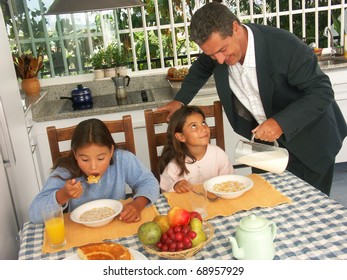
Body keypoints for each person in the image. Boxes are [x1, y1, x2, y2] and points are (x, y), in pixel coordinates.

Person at [157, 2, 347, 196]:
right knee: (265, 203)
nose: (220, 60)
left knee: (310, 209)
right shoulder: (216, 48)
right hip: (265, 147)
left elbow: (321, 92)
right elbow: (200, 69)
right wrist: (179, 101)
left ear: (235, 28)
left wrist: (280, 123)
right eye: (212, 55)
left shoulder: (285, 46)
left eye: (222, 50)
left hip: (311, 140)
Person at [29, 118, 159, 224]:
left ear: (111, 152)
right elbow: (35, 214)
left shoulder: (122, 160)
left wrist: (137, 204)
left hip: (117, 223)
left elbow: (148, 182)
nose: (93, 167)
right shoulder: (65, 172)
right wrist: (63, 195)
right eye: (85, 159)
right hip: (80, 231)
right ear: (75, 154)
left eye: (101, 158)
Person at [159, 105, 234, 192]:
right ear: (181, 136)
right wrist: (176, 186)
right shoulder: (174, 166)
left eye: (203, 123)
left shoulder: (219, 154)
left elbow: (230, 182)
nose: (203, 129)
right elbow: (165, 193)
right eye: (193, 126)